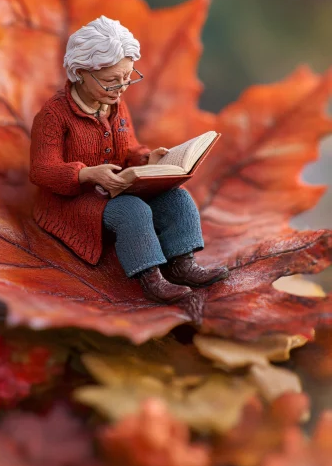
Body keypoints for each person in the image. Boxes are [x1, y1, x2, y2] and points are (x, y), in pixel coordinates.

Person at [29, 15, 228, 304]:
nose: (121, 89)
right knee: (131, 211)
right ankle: (151, 277)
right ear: (81, 72)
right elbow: (42, 171)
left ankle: (182, 264)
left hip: (119, 186)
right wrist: (87, 174)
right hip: (74, 200)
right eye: (111, 82)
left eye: (127, 78)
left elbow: (128, 148)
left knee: (177, 199)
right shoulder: (53, 116)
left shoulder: (115, 105)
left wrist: (148, 158)